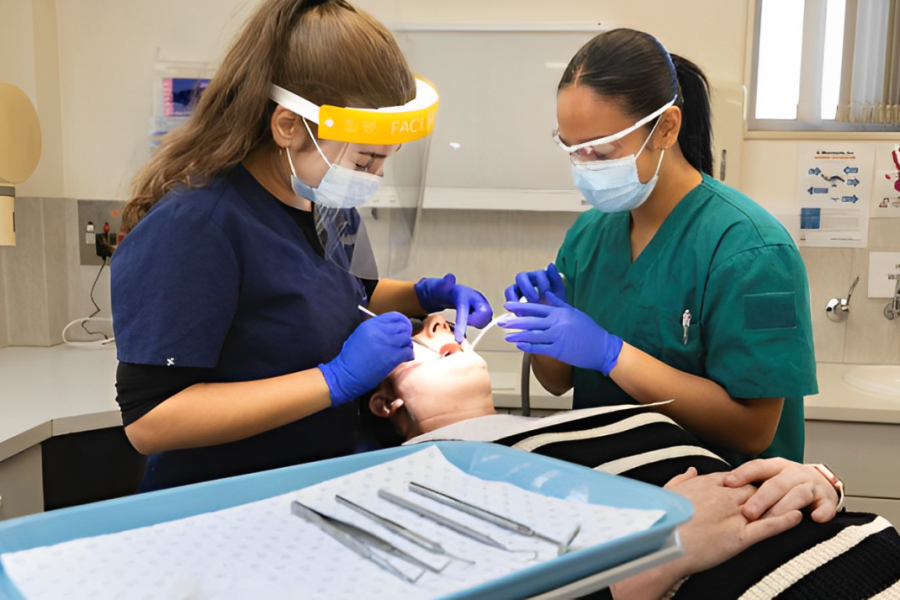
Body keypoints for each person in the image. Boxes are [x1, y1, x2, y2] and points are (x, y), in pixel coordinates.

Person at [110, 0, 492, 492]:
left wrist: (421, 296)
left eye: (384, 163)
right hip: (223, 500)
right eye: (364, 160)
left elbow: (339, 291)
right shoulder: (196, 227)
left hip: (315, 482)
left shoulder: (324, 198)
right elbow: (152, 421)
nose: (373, 179)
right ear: (289, 126)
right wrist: (333, 380)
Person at [367, 314, 900, 599]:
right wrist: (654, 555)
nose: (441, 323)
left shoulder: (590, 419)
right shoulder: (416, 484)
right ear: (384, 401)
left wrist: (817, 483)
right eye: (413, 332)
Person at [500, 29, 816, 467]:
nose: (583, 167)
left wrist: (613, 355)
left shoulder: (752, 250)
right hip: (609, 487)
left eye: (600, 150)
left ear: (666, 128)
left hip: (726, 501)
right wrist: (544, 324)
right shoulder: (589, 234)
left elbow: (752, 429)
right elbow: (557, 383)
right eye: (571, 149)